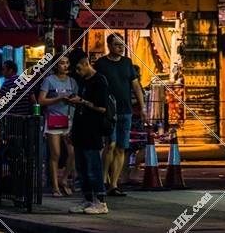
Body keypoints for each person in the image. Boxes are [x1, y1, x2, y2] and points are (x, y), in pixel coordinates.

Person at [93, 34, 146, 196]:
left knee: (121, 147)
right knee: (110, 145)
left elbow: (136, 86)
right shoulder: (101, 64)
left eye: (122, 45)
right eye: (117, 45)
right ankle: (103, 178)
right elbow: (95, 84)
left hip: (126, 111)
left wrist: (142, 107)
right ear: (109, 45)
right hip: (109, 111)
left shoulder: (127, 63)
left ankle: (114, 184)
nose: (120, 48)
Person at [67, 50, 109, 214]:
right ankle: (87, 199)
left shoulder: (99, 80)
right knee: (82, 168)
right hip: (80, 128)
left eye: (78, 68)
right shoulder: (83, 80)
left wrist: (82, 101)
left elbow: (101, 107)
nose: (78, 72)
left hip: (93, 129)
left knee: (93, 167)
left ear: (86, 63)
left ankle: (100, 201)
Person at [37, 54, 77, 197]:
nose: (65, 66)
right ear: (55, 66)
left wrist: (74, 100)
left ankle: (64, 179)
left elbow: (78, 97)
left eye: (67, 63)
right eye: (62, 63)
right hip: (54, 119)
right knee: (56, 154)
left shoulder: (72, 82)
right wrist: (58, 98)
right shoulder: (49, 81)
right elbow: (41, 101)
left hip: (69, 119)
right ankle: (55, 186)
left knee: (73, 153)